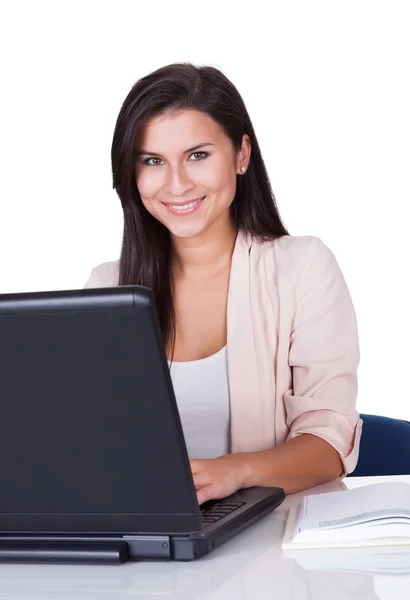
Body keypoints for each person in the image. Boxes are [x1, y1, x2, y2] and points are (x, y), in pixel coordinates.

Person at [85, 63, 362, 504]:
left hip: (271, 544)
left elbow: (329, 442)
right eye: (153, 161)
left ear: (241, 155)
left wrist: (235, 471)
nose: (177, 184)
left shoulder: (301, 268)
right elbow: (87, 441)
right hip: (144, 540)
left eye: (198, 155)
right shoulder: (107, 288)